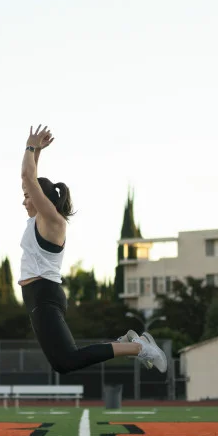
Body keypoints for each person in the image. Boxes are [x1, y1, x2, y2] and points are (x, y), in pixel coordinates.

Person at [18, 125, 167, 374]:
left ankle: (140, 347)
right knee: (62, 363)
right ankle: (127, 345)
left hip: (44, 294)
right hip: (36, 297)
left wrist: (31, 146)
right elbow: (31, 179)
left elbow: (28, 177)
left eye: (27, 196)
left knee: (68, 360)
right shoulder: (37, 220)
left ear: (42, 199)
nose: (23, 200)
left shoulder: (53, 221)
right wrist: (37, 153)